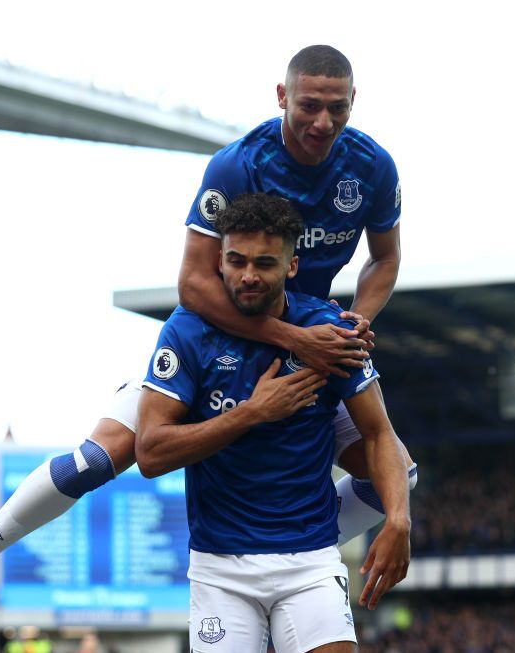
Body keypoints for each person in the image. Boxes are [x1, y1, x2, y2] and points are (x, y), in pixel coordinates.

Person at [0, 45, 415, 616]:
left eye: (337, 109)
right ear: (282, 97)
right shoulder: (237, 165)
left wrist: (356, 319)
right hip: (221, 332)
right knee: (97, 460)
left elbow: (384, 258)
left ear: (353, 102)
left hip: (311, 336)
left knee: (396, 477)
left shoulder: (373, 168)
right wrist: (290, 338)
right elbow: (192, 284)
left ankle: (291, 562)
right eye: (309, 105)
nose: (322, 122)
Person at [138, 194, 409, 652]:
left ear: (292, 266)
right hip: (220, 567)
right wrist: (253, 412)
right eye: (236, 260)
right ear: (219, 261)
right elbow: (150, 453)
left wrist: (399, 520)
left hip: (310, 560)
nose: (247, 275)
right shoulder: (186, 332)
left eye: (265, 263)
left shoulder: (329, 331)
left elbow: (380, 433)